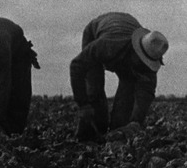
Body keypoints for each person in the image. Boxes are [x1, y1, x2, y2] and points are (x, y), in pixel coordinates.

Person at [70, 12, 169, 141]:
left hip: (124, 36)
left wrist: (135, 122)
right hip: (96, 32)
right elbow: (76, 66)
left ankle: (114, 134)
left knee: (127, 97)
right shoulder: (107, 44)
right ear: (136, 51)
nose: (144, 66)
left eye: (147, 63)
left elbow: (146, 93)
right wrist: (83, 104)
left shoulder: (151, 56)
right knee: (94, 88)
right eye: (142, 61)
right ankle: (88, 136)